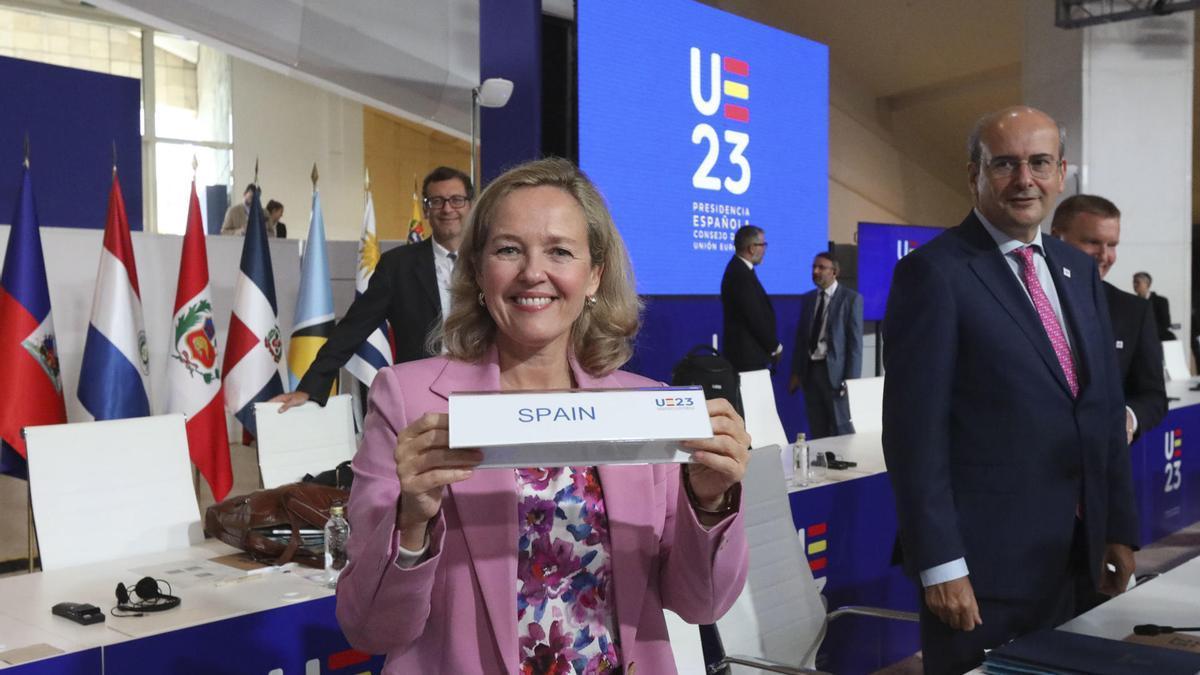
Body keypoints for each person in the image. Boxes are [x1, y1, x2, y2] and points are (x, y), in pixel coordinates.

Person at [334, 157, 750, 674]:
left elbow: (700, 605)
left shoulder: (646, 411)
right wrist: (411, 522)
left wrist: (708, 502)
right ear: (479, 272)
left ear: (594, 275)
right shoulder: (409, 400)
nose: (534, 272)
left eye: (560, 251)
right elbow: (370, 629)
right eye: (508, 249)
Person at [881, 106, 1138, 675]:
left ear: (1062, 172)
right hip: (984, 574)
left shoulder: (1076, 268)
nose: (1025, 180)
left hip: (1080, 558)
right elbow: (913, 436)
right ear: (973, 173)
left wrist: (1117, 528)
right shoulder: (935, 273)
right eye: (1005, 164)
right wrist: (941, 565)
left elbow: (1098, 411)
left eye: (1040, 163)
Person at [274, 166, 473, 409]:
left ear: (470, 206)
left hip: (484, 387)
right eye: (437, 201)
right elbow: (353, 328)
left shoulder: (492, 261)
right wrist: (310, 386)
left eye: (456, 200)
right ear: (426, 209)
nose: (447, 209)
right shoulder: (397, 266)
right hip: (422, 394)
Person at [1052, 195, 1166, 443]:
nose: (1104, 256)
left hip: (1100, 469)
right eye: (1092, 242)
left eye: (1112, 245)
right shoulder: (1025, 299)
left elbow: (1153, 396)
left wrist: (1128, 418)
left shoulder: (1133, 311)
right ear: (1055, 237)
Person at [788, 252, 863, 438]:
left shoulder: (850, 299)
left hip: (836, 376)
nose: (815, 271)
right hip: (811, 371)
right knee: (817, 426)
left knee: (840, 426)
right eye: (814, 267)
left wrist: (851, 380)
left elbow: (855, 345)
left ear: (834, 272)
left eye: (821, 267)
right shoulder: (808, 299)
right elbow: (801, 338)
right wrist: (796, 372)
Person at [720, 225, 781, 372]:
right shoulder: (740, 274)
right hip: (747, 359)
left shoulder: (741, 270)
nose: (765, 249)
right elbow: (754, 316)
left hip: (750, 356)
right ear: (752, 248)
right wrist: (774, 346)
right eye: (763, 244)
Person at [1133, 271, 1175, 341]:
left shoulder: (1161, 301)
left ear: (1147, 284)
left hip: (1157, 340)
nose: (1134, 285)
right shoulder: (1133, 302)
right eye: (1133, 282)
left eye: (1137, 282)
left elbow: (1165, 324)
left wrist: (1148, 334)